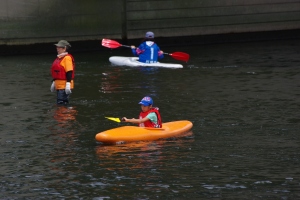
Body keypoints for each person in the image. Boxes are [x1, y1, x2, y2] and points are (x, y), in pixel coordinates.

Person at [50, 40, 75, 104]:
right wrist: (54, 82)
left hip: (64, 86)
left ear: (64, 49)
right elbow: (57, 72)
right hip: (59, 86)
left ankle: (65, 114)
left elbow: (69, 72)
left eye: (59, 47)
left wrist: (68, 84)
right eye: (57, 47)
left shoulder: (67, 58)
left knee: (61, 104)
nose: (57, 49)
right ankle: (63, 113)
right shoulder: (59, 58)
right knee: (60, 103)